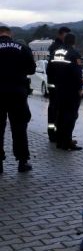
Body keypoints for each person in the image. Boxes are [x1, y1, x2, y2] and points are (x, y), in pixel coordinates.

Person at [0, 26, 36, 173]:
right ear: (10, 34)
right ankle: (22, 161)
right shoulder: (22, 48)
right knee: (19, 128)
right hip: (17, 93)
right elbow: (32, 69)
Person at [53, 33, 83, 151]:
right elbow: (77, 73)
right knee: (71, 116)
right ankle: (67, 142)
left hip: (60, 88)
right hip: (71, 90)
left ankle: (60, 141)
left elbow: (52, 68)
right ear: (74, 42)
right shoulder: (74, 53)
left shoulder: (58, 52)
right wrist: (80, 87)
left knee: (60, 115)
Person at [46, 26, 71, 142]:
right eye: (67, 35)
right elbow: (55, 67)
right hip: (56, 83)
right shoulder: (57, 48)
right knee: (56, 109)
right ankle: (54, 134)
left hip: (55, 83)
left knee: (56, 109)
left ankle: (56, 133)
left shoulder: (56, 47)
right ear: (61, 34)